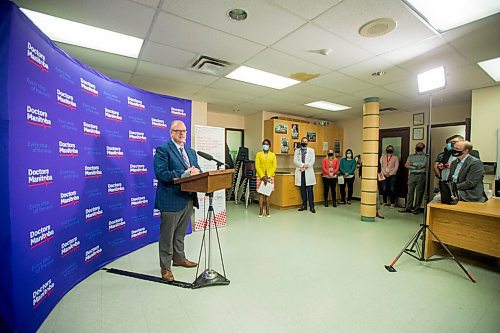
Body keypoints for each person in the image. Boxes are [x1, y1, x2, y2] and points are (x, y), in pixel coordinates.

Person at [154, 120, 201, 282]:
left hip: (188, 198)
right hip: (171, 198)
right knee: (167, 235)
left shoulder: (191, 152)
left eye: (184, 131)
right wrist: (184, 172)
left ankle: (179, 258)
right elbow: (161, 174)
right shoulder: (163, 150)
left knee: (180, 233)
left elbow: (197, 171)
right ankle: (165, 267)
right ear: (171, 133)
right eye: (178, 131)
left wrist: (196, 172)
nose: (182, 133)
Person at [399, 143, 428, 214]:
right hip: (412, 175)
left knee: (419, 193)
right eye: (417, 145)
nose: (418, 147)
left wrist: (412, 164)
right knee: (410, 192)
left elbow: (423, 165)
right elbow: (406, 165)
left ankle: (416, 209)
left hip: (421, 175)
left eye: (420, 146)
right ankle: (408, 208)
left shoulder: (425, 156)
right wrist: (416, 166)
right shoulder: (411, 156)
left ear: (423, 147)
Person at [255, 139, 277, 218]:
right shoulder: (258, 154)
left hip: (270, 177)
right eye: (264, 144)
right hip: (260, 177)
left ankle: (267, 211)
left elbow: (274, 166)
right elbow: (257, 165)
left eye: (267, 144)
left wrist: (268, 175)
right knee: (261, 194)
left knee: (267, 194)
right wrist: (262, 176)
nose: (265, 145)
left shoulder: (273, 155)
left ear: (269, 146)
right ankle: (261, 211)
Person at [294, 137, 316, 213]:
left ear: (307, 142)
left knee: (310, 190)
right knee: (302, 190)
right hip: (301, 172)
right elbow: (295, 161)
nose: (304, 142)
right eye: (303, 141)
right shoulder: (297, 151)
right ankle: (304, 205)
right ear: (301, 142)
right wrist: (303, 165)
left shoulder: (311, 150)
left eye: (305, 141)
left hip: (308, 172)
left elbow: (312, 161)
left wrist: (306, 166)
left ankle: (312, 206)